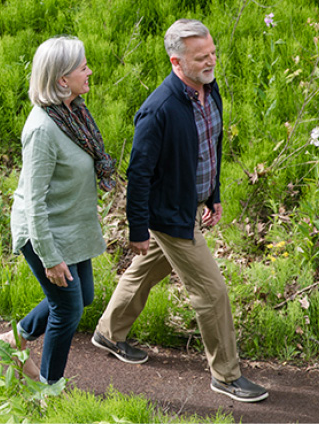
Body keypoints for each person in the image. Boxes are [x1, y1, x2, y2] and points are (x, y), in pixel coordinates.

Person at [90, 19, 269, 403]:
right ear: (176, 62)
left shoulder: (209, 89)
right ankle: (226, 375)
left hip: (188, 205)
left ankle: (108, 332)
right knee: (212, 292)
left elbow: (209, 148)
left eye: (213, 53)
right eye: (201, 57)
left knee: (148, 269)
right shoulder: (158, 110)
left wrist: (213, 194)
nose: (210, 61)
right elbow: (138, 176)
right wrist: (137, 229)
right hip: (168, 214)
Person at [0, 36, 116, 384]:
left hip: (71, 225)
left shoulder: (73, 113)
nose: (89, 71)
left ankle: (14, 339)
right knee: (67, 308)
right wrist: (49, 257)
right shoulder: (42, 129)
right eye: (83, 67)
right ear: (62, 79)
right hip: (43, 231)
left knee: (84, 297)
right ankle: (48, 390)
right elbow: (34, 202)